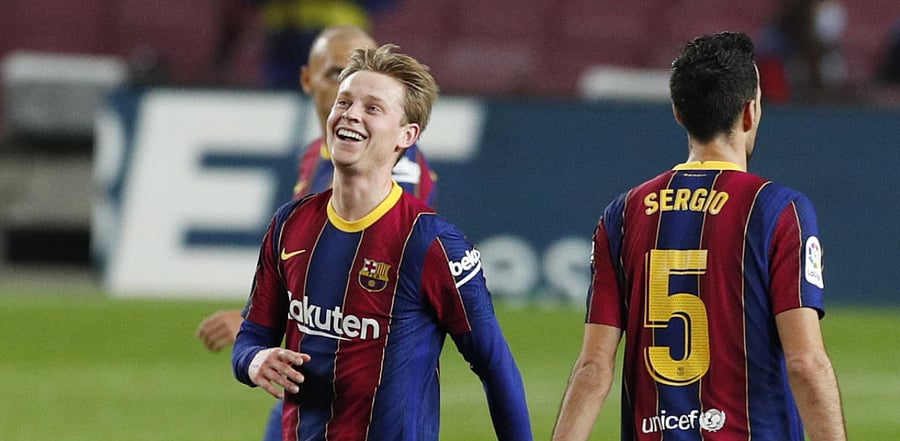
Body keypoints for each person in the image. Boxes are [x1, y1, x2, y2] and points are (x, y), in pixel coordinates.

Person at [552, 32, 846, 441]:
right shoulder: (779, 211)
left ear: (678, 112)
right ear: (750, 112)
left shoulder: (622, 215)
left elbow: (594, 367)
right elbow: (805, 362)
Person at [231, 44, 533, 441]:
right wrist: (255, 361)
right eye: (345, 101)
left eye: (373, 108)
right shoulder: (290, 224)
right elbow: (251, 337)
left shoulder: (432, 243)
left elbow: (495, 366)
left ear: (406, 136)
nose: (351, 114)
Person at [196, 25, 437, 441]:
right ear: (307, 80)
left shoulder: (395, 161)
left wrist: (254, 321)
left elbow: (372, 263)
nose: (353, 89)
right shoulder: (316, 155)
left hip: (366, 384)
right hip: (313, 367)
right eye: (338, 74)